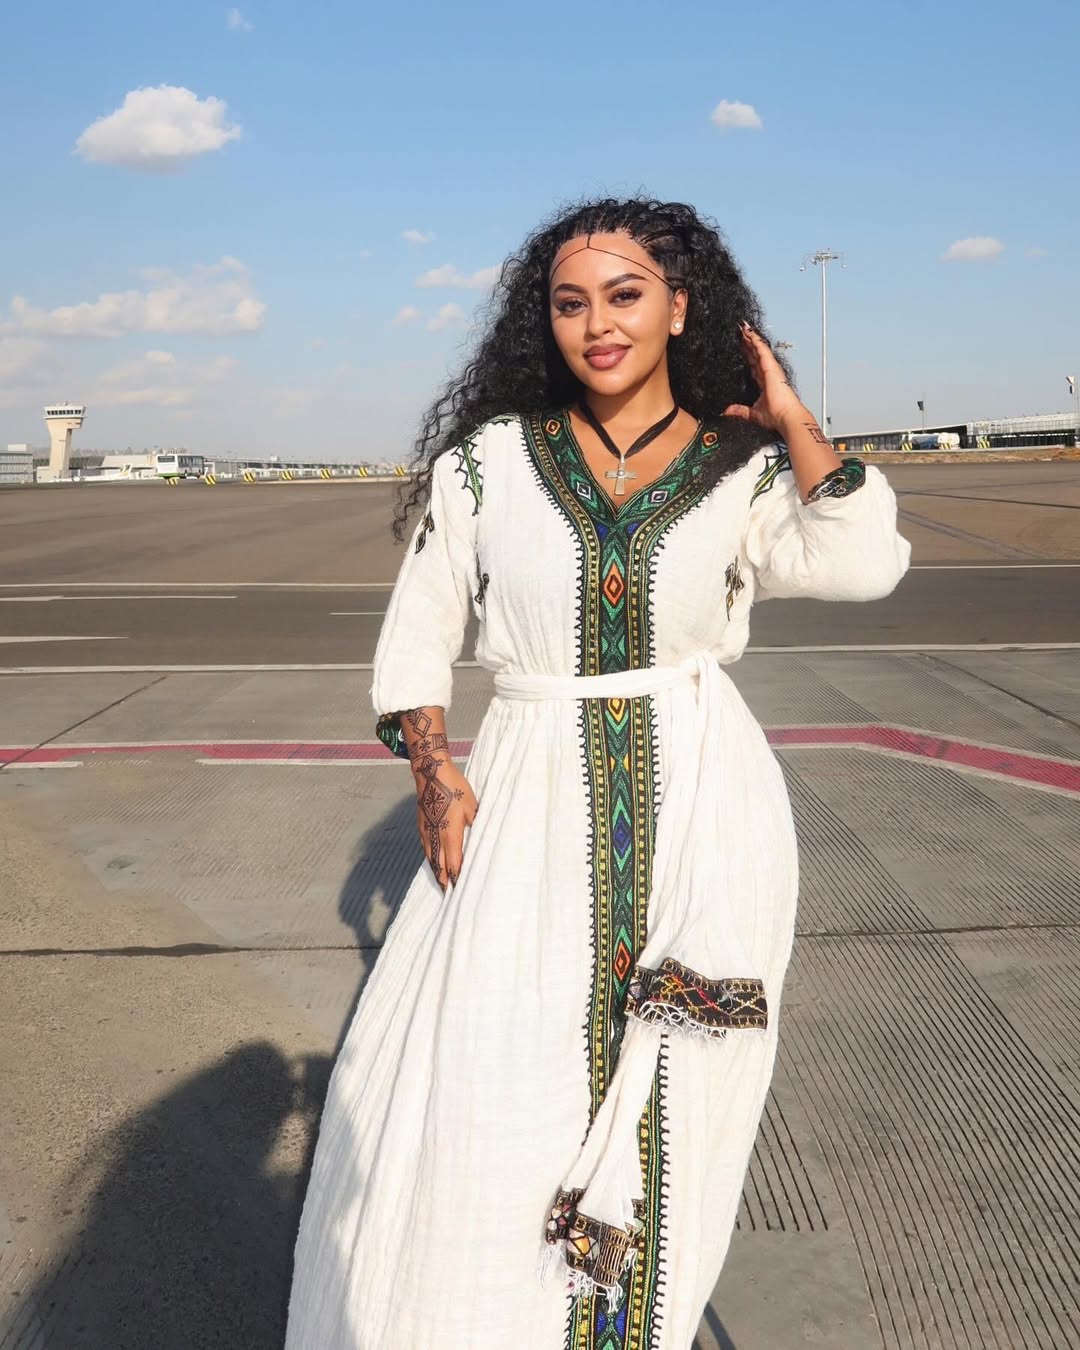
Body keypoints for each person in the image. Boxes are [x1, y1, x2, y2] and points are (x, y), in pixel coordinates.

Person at [286, 197, 910, 1349]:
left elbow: (862, 564)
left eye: (625, 296)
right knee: (491, 1090)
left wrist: (794, 420)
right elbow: (420, 629)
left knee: (673, 1092)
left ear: (681, 308)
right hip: (523, 793)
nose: (597, 324)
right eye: (570, 303)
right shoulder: (490, 463)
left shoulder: (739, 467)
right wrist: (433, 767)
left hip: (701, 809)